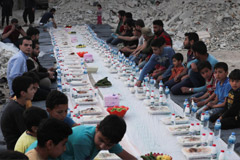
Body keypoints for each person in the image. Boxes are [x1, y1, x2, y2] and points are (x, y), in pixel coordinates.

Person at [54, 115, 136, 159]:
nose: (102, 146)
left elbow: (126, 156)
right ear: (97, 128)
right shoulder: (83, 141)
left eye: (109, 145)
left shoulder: (108, 137)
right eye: (101, 140)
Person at [1, 76, 35, 150]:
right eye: (31, 89)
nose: (34, 91)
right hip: (16, 146)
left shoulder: (19, 104)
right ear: (23, 93)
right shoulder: (16, 110)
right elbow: (26, 132)